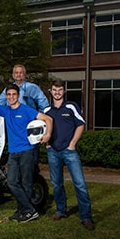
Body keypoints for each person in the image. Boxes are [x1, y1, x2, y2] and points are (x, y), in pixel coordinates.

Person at [0, 83, 53, 223]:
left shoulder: (26, 110)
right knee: (12, 182)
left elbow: (48, 119)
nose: (11, 97)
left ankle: (25, 210)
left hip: (27, 150)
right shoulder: (5, 110)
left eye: (14, 94)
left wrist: (48, 135)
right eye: (8, 95)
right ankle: (28, 210)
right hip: (13, 152)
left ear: (18, 96)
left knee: (26, 182)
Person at [44, 79, 94, 230]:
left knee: (80, 184)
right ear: (50, 91)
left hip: (69, 151)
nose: (57, 93)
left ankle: (86, 217)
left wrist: (72, 143)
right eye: (54, 90)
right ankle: (61, 210)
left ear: (64, 91)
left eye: (60, 90)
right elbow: (42, 128)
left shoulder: (71, 106)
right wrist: (47, 143)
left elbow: (81, 125)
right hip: (53, 151)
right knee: (57, 184)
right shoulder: (46, 111)